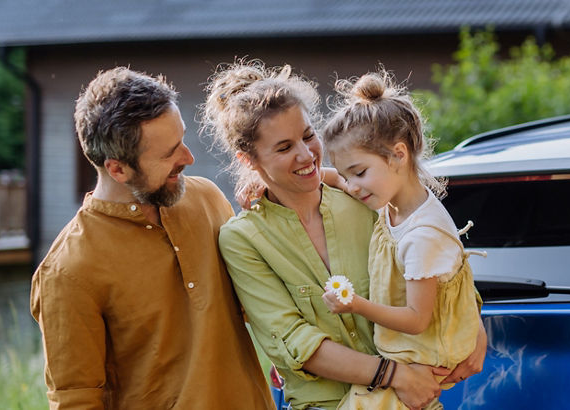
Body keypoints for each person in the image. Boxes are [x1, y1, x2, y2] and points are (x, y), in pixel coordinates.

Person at [200, 60, 485, 410]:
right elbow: (295, 342)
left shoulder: (365, 198)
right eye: (284, 147)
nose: (306, 155)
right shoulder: (242, 240)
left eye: (308, 135)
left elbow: (436, 264)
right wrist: (397, 375)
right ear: (248, 159)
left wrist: (477, 326)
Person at [29, 66, 272, 409]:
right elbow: (76, 399)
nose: (188, 158)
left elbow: (263, 307)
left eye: (182, 139)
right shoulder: (68, 272)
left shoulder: (207, 199)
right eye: (168, 153)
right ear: (117, 169)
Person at [317, 72, 482, 410]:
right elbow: (336, 177)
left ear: (398, 154)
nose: (352, 187)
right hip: (409, 352)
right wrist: (283, 180)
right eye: (347, 176)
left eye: (359, 173)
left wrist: (355, 304)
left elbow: (416, 318)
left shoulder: (422, 236)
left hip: (426, 354)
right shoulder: (392, 199)